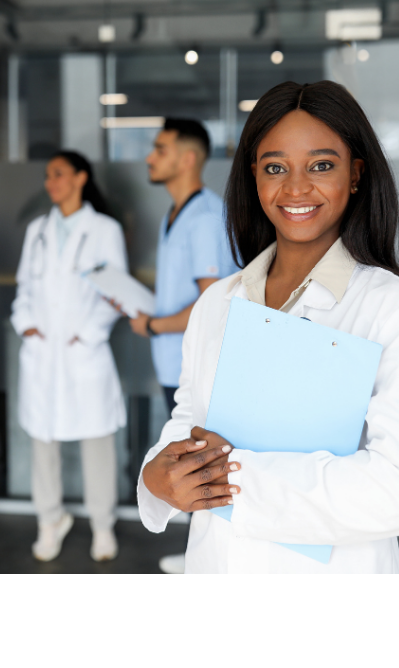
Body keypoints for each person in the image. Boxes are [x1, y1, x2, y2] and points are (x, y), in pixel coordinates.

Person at [137, 81, 399, 573]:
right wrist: (156, 477)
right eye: (275, 167)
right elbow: (189, 419)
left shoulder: (394, 311)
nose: (295, 188)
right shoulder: (216, 304)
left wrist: (234, 478)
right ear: (254, 177)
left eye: (321, 165)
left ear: (355, 174)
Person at [128, 118, 238, 574]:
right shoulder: (175, 213)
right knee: (186, 463)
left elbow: (211, 304)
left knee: (206, 464)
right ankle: (200, 549)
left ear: (188, 157)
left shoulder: (206, 217)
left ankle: (212, 553)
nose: (150, 157)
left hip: (200, 367)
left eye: (159, 148)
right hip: (174, 363)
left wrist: (154, 324)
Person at [10, 151, 127, 563]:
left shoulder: (103, 229)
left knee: (97, 441)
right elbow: (25, 287)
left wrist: (89, 334)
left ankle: (102, 524)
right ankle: (50, 520)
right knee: (43, 440)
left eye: (58, 174)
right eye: (47, 175)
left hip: (82, 350)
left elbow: (116, 292)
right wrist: (25, 324)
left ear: (80, 178)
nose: (49, 182)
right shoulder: (38, 230)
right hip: (43, 352)